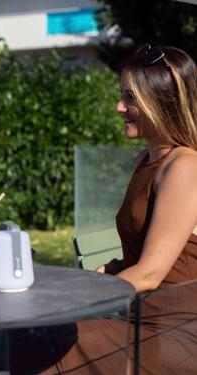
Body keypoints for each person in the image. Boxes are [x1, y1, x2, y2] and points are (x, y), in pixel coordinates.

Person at [44, 44, 197, 374]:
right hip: (142, 324)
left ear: (161, 102)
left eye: (130, 98)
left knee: (53, 340)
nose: (119, 107)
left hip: (180, 335)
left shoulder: (184, 166)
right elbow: (145, 253)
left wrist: (76, 300)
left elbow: (152, 273)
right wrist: (103, 272)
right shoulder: (146, 160)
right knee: (36, 336)